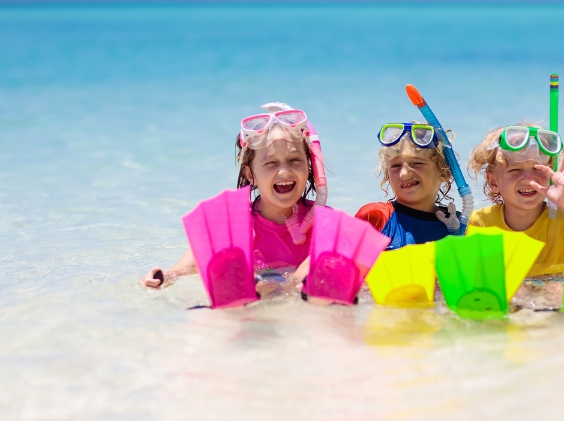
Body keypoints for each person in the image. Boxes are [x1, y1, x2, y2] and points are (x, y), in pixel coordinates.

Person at [140, 104, 325, 291]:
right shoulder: (231, 227)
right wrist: (160, 278)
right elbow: (180, 271)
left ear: (310, 166)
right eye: (271, 163)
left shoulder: (324, 223)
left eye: (295, 160)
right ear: (250, 174)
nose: (285, 171)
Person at [467, 124, 564, 278]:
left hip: (551, 298)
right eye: (515, 170)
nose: (529, 179)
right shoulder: (481, 222)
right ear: (493, 182)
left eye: (538, 169)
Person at [355, 122, 459, 250]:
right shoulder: (375, 217)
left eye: (416, 163)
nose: (403, 174)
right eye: (395, 166)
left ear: (445, 172)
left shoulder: (458, 226)